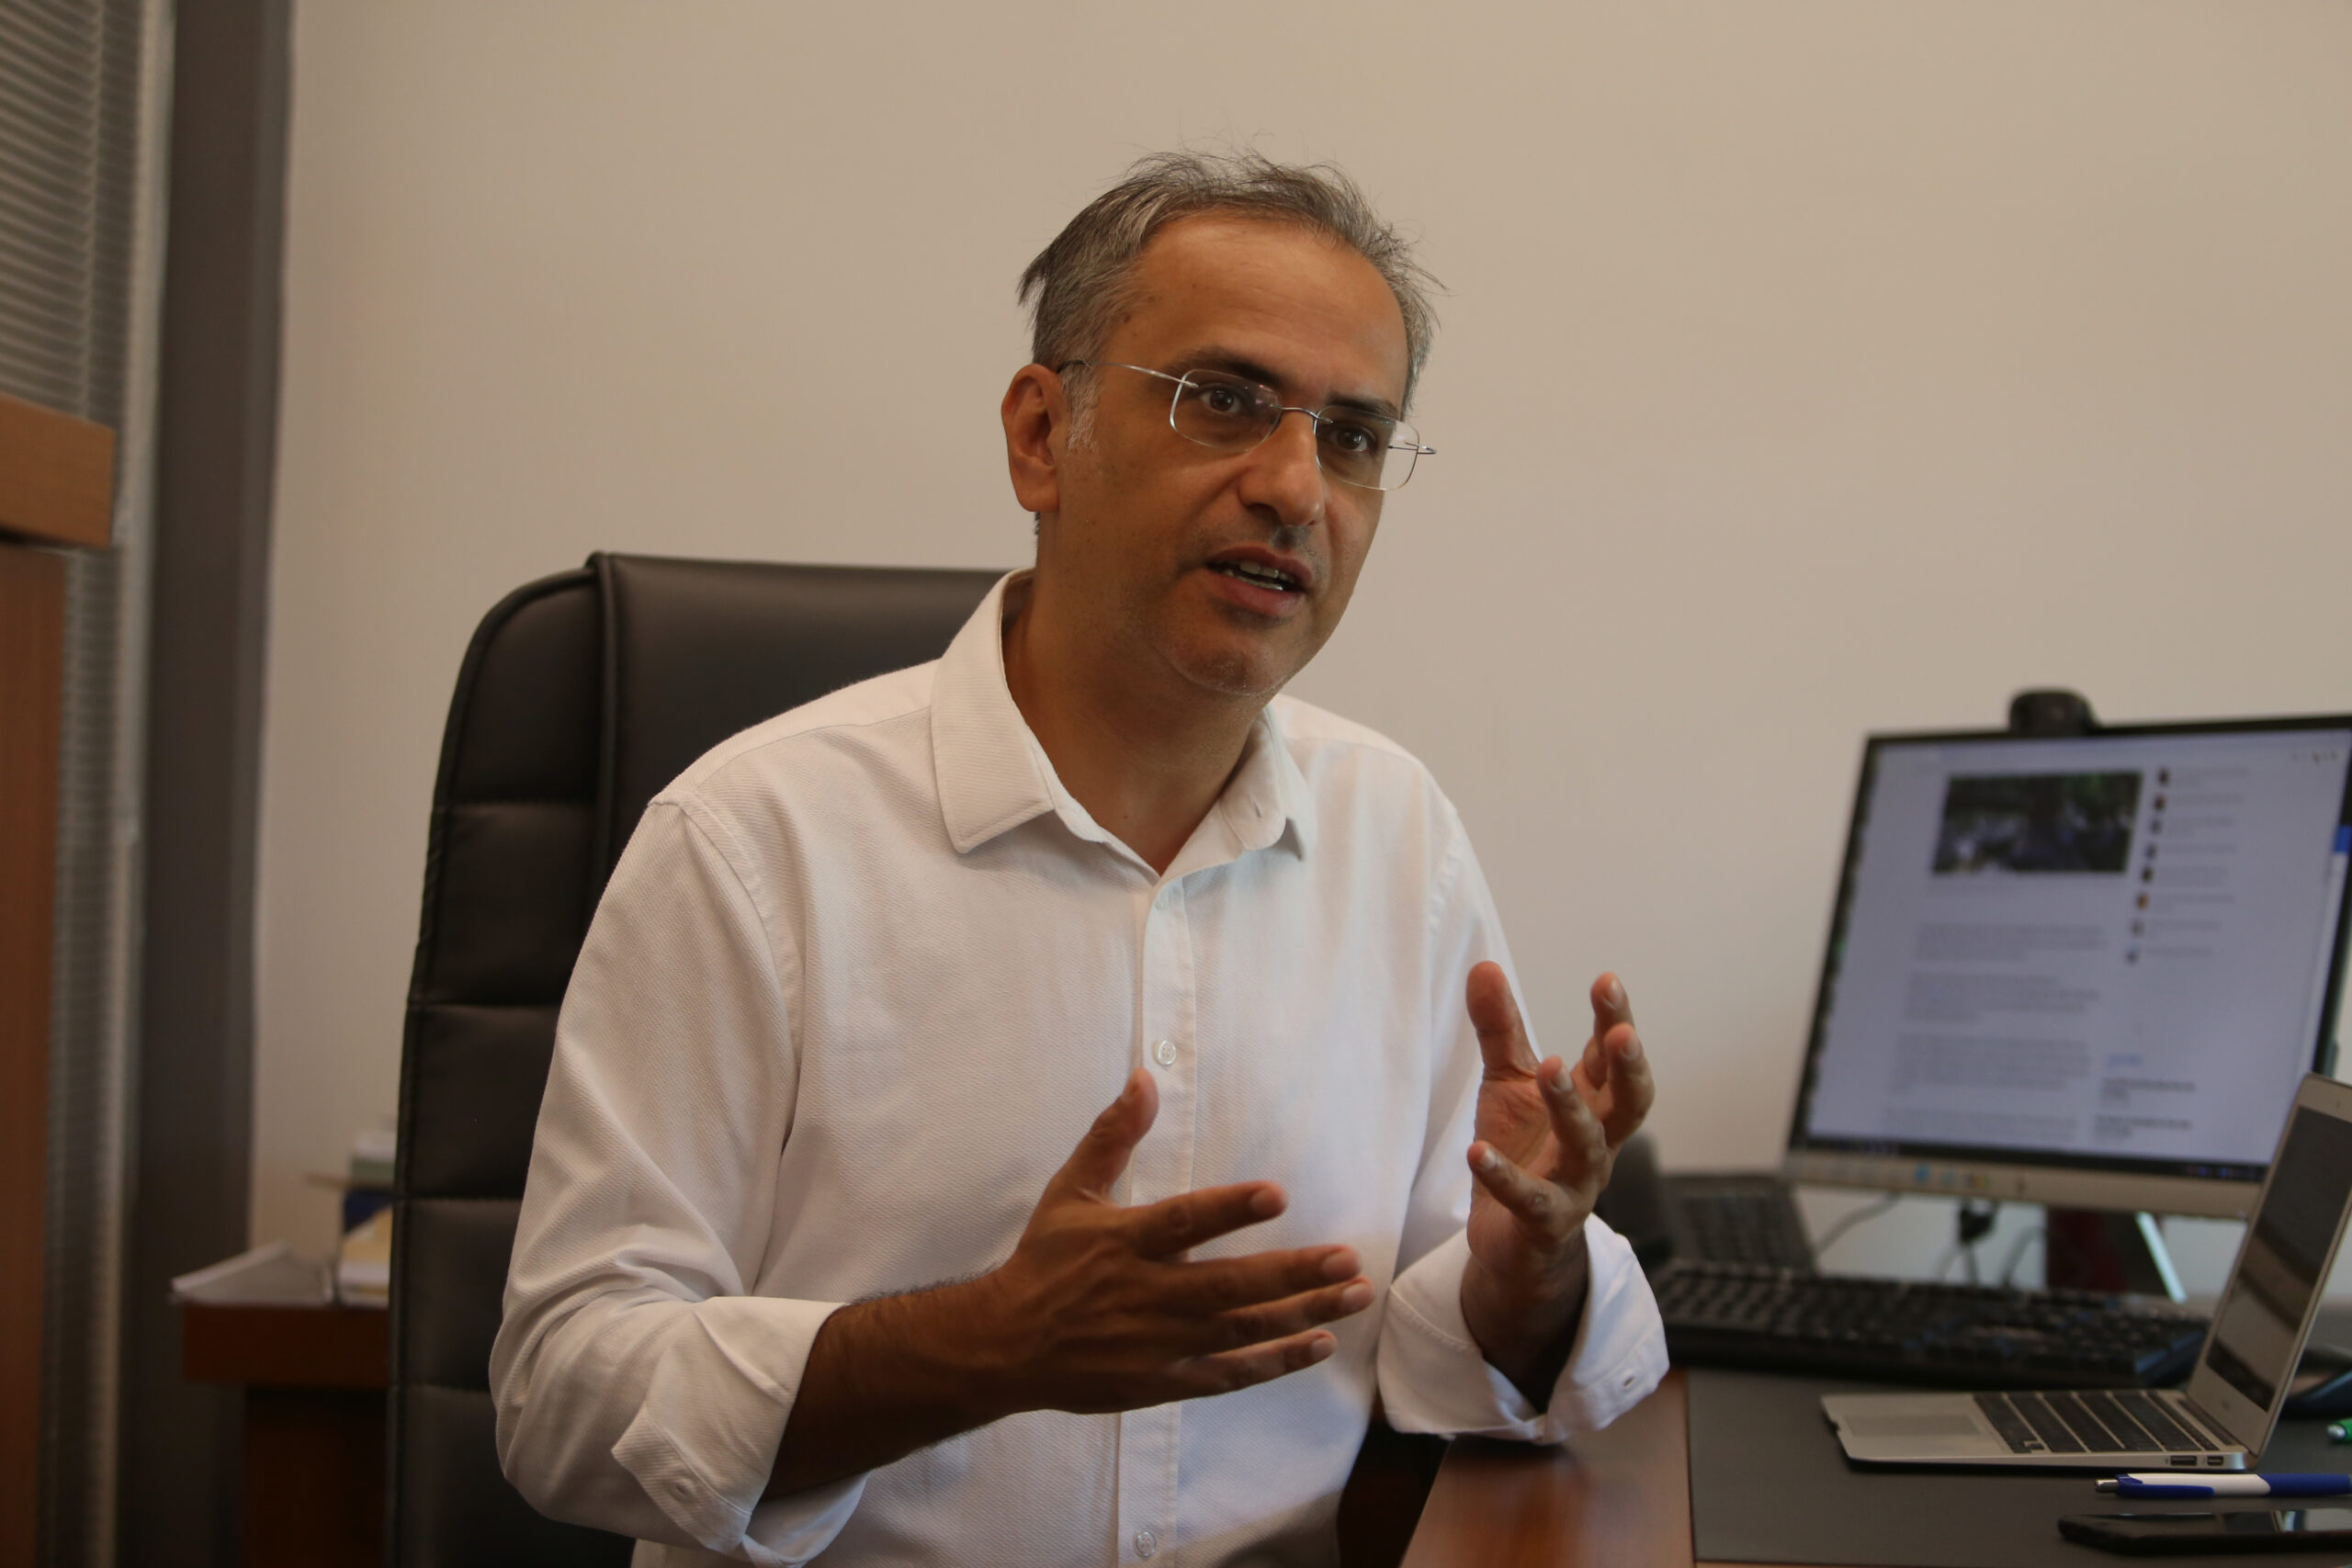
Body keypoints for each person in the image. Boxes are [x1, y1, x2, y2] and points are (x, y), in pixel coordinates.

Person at [492, 150, 1667, 1568]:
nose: (1296, 486)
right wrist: (975, 1347)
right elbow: (564, 1396)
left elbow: (1437, 1345)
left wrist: (1525, 1272)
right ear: (1042, 436)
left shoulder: (1395, 833)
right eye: (1223, 400)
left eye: (1354, 437)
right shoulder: (754, 840)